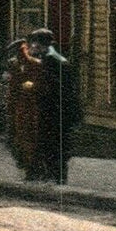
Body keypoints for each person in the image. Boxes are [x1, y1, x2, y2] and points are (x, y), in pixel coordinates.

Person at [29, 28, 81, 184]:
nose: (32, 46)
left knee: (53, 143)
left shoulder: (51, 60)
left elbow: (51, 86)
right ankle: (55, 176)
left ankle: (56, 177)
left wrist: (32, 87)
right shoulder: (53, 57)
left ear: (40, 44)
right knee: (54, 143)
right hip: (58, 109)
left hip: (55, 110)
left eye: (35, 42)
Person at [7, 35, 42, 179]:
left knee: (31, 140)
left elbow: (42, 84)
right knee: (18, 140)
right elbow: (12, 89)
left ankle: (32, 170)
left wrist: (31, 86)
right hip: (19, 109)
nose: (21, 55)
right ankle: (26, 166)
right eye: (18, 53)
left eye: (23, 51)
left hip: (32, 108)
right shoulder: (15, 67)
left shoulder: (36, 65)